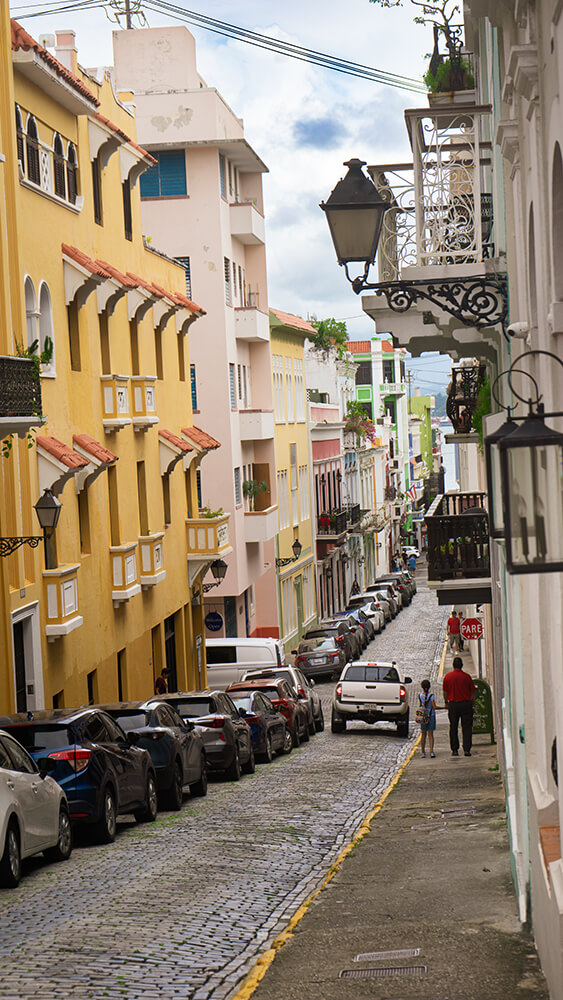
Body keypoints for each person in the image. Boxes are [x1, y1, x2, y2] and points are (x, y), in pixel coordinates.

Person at [443, 656, 477, 757]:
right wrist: (472, 701)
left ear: (453, 665)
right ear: (462, 665)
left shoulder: (448, 677)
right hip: (465, 704)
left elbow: (445, 692)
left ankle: (454, 749)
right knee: (467, 727)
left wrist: (446, 702)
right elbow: (473, 692)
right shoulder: (466, 677)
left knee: (453, 727)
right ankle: (467, 749)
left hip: (453, 704)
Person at [418, 679, 437, 757]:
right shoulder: (431, 696)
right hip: (431, 715)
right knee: (430, 734)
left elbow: (420, 705)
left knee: (423, 734)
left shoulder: (419, 695)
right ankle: (431, 751)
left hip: (423, 716)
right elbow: (434, 706)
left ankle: (422, 752)